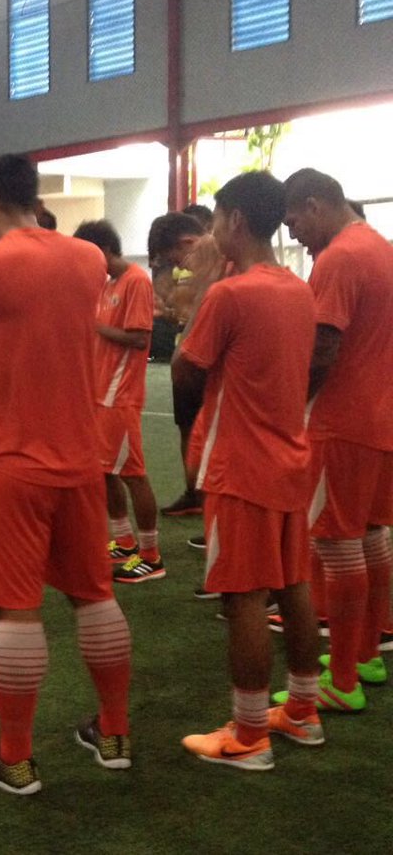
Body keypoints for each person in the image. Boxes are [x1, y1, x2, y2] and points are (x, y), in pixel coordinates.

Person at [0, 155, 132, 796]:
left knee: (16, 610)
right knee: (94, 594)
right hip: (80, 460)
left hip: (13, 461)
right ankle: (113, 733)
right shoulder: (88, 259)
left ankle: (16, 760)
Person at [174, 171, 322, 767]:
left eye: (214, 220)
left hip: (241, 467)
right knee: (293, 585)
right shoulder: (298, 288)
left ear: (235, 220)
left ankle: (249, 733)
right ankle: (304, 714)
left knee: (243, 597)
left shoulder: (230, 294)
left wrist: (204, 289)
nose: (210, 233)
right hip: (289, 461)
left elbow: (187, 369)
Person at [275, 167, 393, 711]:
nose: (294, 233)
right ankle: (365, 654)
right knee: (371, 536)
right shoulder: (380, 247)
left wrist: (285, 409)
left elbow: (322, 349)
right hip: (380, 419)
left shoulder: (340, 258)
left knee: (336, 544)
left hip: (340, 422)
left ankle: (341, 681)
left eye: (294, 220)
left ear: (316, 204)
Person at [72, 220, 163, 583]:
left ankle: (151, 555)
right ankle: (124, 541)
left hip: (120, 395)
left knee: (133, 475)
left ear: (104, 250)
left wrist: (92, 327)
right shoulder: (108, 284)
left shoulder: (137, 281)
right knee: (105, 471)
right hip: (100, 393)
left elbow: (140, 339)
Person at [148, 212, 214, 516]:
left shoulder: (223, 270)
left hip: (208, 363)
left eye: (177, 259)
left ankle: (211, 502)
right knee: (188, 426)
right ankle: (196, 494)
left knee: (213, 432)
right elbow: (181, 309)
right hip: (189, 355)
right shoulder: (197, 270)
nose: (180, 266)